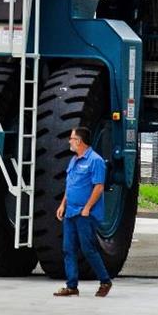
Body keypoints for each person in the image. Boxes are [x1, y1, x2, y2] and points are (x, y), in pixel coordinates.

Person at [54, 126, 112, 298]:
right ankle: (71, 285)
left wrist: (87, 208)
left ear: (79, 141)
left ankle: (105, 281)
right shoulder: (73, 160)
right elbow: (70, 185)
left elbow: (99, 186)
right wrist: (62, 204)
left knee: (88, 249)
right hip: (70, 212)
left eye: (71, 138)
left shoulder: (96, 161)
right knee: (68, 249)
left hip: (84, 214)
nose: (69, 142)